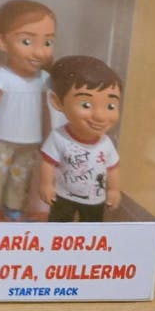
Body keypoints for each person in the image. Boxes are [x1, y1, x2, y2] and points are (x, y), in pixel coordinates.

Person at [0, 0, 56, 222]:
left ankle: (15, 209)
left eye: (48, 42)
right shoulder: (0, 77)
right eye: (27, 41)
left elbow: (46, 113)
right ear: (2, 41)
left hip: (30, 141)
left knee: (22, 177)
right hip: (0, 137)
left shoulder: (45, 80)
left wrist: (48, 138)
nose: (39, 51)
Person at [40, 55, 122, 222]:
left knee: (92, 228)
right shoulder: (59, 137)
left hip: (95, 200)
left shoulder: (106, 143)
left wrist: (114, 190)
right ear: (57, 102)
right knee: (58, 226)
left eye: (110, 106)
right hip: (63, 196)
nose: (100, 116)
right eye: (86, 105)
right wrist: (46, 184)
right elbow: (48, 163)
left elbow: (112, 168)